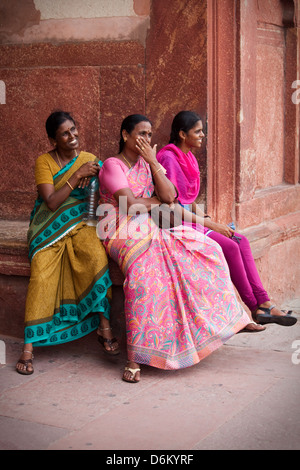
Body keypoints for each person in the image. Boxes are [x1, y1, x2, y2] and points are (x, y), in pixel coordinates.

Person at [98, 114, 253, 384]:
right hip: (118, 228)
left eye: (149, 135)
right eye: (141, 134)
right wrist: (153, 201)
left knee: (206, 249)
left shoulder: (148, 165)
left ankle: (221, 322)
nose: (146, 140)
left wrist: (154, 164)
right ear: (125, 135)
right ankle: (135, 357)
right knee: (146, 274)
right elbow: (128, 206)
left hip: (150, 225)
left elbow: (170, 198)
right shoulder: (113, 165)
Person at [156, 110, 297, 330]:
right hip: (173, 223)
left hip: (191, 219)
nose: (202, 135)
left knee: (242, 241)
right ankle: (254, 307)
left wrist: (207, 218)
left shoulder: (189, 156)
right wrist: (212, 225)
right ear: (182, 134)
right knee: (231, 247)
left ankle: (265, 302)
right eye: (198, 131)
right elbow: (172, 203)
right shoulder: (168, 157)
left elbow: (187, 198)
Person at [16, 111, 119, 375]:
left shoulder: (89, 160)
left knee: (96, 257)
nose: (72, 136)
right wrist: (77, 176)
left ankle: (103, 325)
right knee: (41, 274)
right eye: (65, 133)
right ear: (53, 139)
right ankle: (28, 347)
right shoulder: (44, 162)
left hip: (82, 223)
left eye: (74, 129)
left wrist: (94, 174)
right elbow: (51, 202)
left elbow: (103, 190)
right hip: (48, 226)